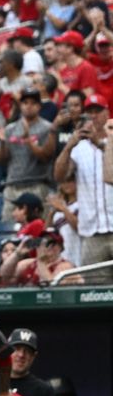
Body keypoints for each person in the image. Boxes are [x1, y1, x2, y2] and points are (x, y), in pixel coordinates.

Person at [53, 93, 113, 283]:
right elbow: (59, 176)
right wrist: (68, 147)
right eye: (90, 112)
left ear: (107, 113)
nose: (94, 116)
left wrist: (100, 145)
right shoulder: (79, 149)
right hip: (92, 234)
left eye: (98, 111)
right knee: (95, 293)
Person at [0, 88, 56, 221]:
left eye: (33, 103)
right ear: (20, 105)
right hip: (13, 185)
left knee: (38, 229)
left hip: (37, 185)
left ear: (39, 106)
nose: (29, 106)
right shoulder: (10, 129)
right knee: (9, 229)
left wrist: (29, 140)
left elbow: (46, 156)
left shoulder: (47, 128)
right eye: (25, 102)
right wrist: (2, 143)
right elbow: (2, 160)